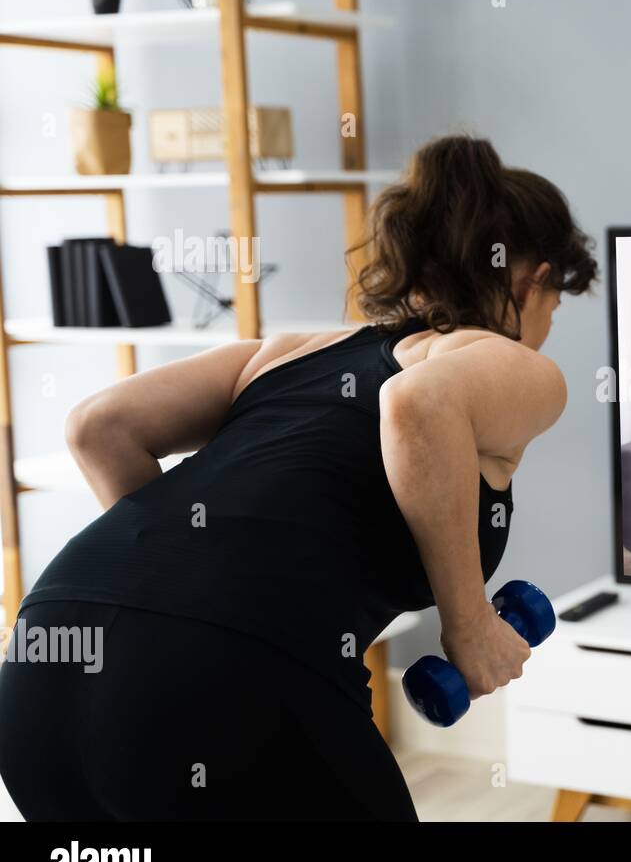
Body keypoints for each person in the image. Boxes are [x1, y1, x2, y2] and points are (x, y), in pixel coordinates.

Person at [0, 134, 598, 820]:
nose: (549, 324)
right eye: (556, 302)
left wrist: (173, 587)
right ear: (534, 280)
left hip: (41, 669)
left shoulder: (290, 350)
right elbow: (416, 404)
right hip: (223, 682)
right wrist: (469, 626)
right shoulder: (514, 364)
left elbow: (99, 426)